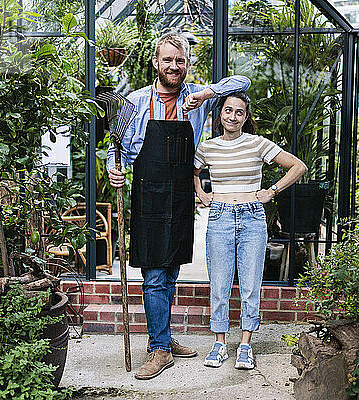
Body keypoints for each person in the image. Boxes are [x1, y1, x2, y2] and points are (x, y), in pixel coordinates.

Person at [106, 32, 250, 380]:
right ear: (156, 63)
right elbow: (117, 145)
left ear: (187, 63)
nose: (174, 66)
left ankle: (164, 340)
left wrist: (207, 93)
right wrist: (114, 166)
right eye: (167, 59)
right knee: (154, 273)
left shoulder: (198, 97)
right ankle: (158, 349)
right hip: (148, 191)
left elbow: (242, 81)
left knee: (170, 270)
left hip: (180, 192)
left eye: (180, 60)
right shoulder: (135, 102)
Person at [193, 91, 307, 370]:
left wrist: (272, 190)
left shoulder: (258, 144)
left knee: (249, 285)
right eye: (228, 110)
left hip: (252, 218)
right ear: (220, 113)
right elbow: (192, 172)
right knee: (219, 284)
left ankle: (245, 345)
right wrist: (201, 192)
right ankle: (219, 343)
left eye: (239, 112)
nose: (233, 116)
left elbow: (298, 166)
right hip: (219, 217)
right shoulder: (207, 148)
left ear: (246, 117)